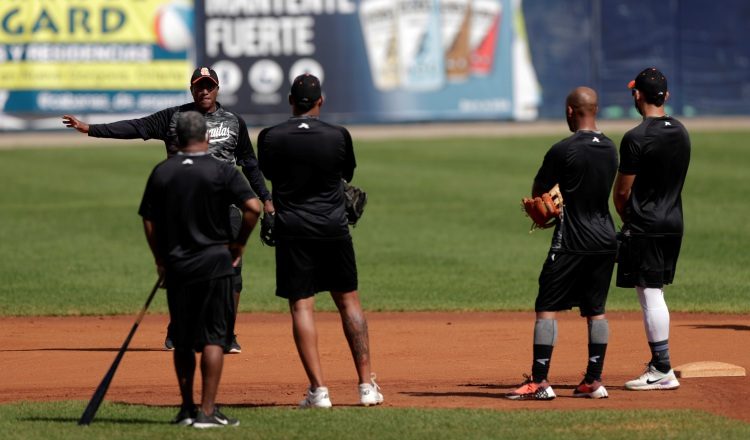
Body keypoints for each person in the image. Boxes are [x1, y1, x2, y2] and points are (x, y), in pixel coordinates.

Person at [63, 67, 273, 353]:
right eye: (199, 86)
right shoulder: (173, 118)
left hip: (226, 208)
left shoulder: (235, 122)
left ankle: (226, 333)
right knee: (182, 271)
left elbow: (249, 162)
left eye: (209, 86)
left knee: (232, 274)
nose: (204, 91)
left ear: (218, 88)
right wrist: (91, 129)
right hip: (184, 209)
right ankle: (178, 329)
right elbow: (137, 127)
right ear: (191, 89)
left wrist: (265, 197)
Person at [257, 74, 383, 408]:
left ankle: (319, 390)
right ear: (320, 101)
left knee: (302, 306)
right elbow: (347, 174)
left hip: (293, 229)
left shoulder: (270, 136)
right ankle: (366, 386)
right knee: (349, 302)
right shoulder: (338, 136)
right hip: (333, 228)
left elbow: (269, 174)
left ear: (289, 101)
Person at [139, 111, 260, 427]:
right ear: (207, 138)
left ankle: (186, 409)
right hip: (215, 263)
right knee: (214, 338)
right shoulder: (222, 170)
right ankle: (207, 412)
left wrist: (160, 259)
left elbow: (149, 220)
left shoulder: (163, 171)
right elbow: (253, 208)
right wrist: (239, 244)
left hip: (178, 264)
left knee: (181, 338)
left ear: (177, 140)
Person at [506, 87, 618, 401]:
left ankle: (539, 382)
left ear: (571, 111)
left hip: (571, 240)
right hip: (606, 239)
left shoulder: (562, 149)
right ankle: (593, 381)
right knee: (596, 310)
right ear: (595, 109)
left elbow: (540, 193)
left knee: (547, 308)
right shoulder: (611, 148)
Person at [614, 67, 690, 391]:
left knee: (650, 292)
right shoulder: (682, 131)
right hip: (674, 221)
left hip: (645, 223)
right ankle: (660, 365)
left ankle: (662, 368)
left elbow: (621, 193)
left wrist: (627, 216)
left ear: (637, 96)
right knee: (655, 291)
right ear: (667, 97)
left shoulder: (636, 137)